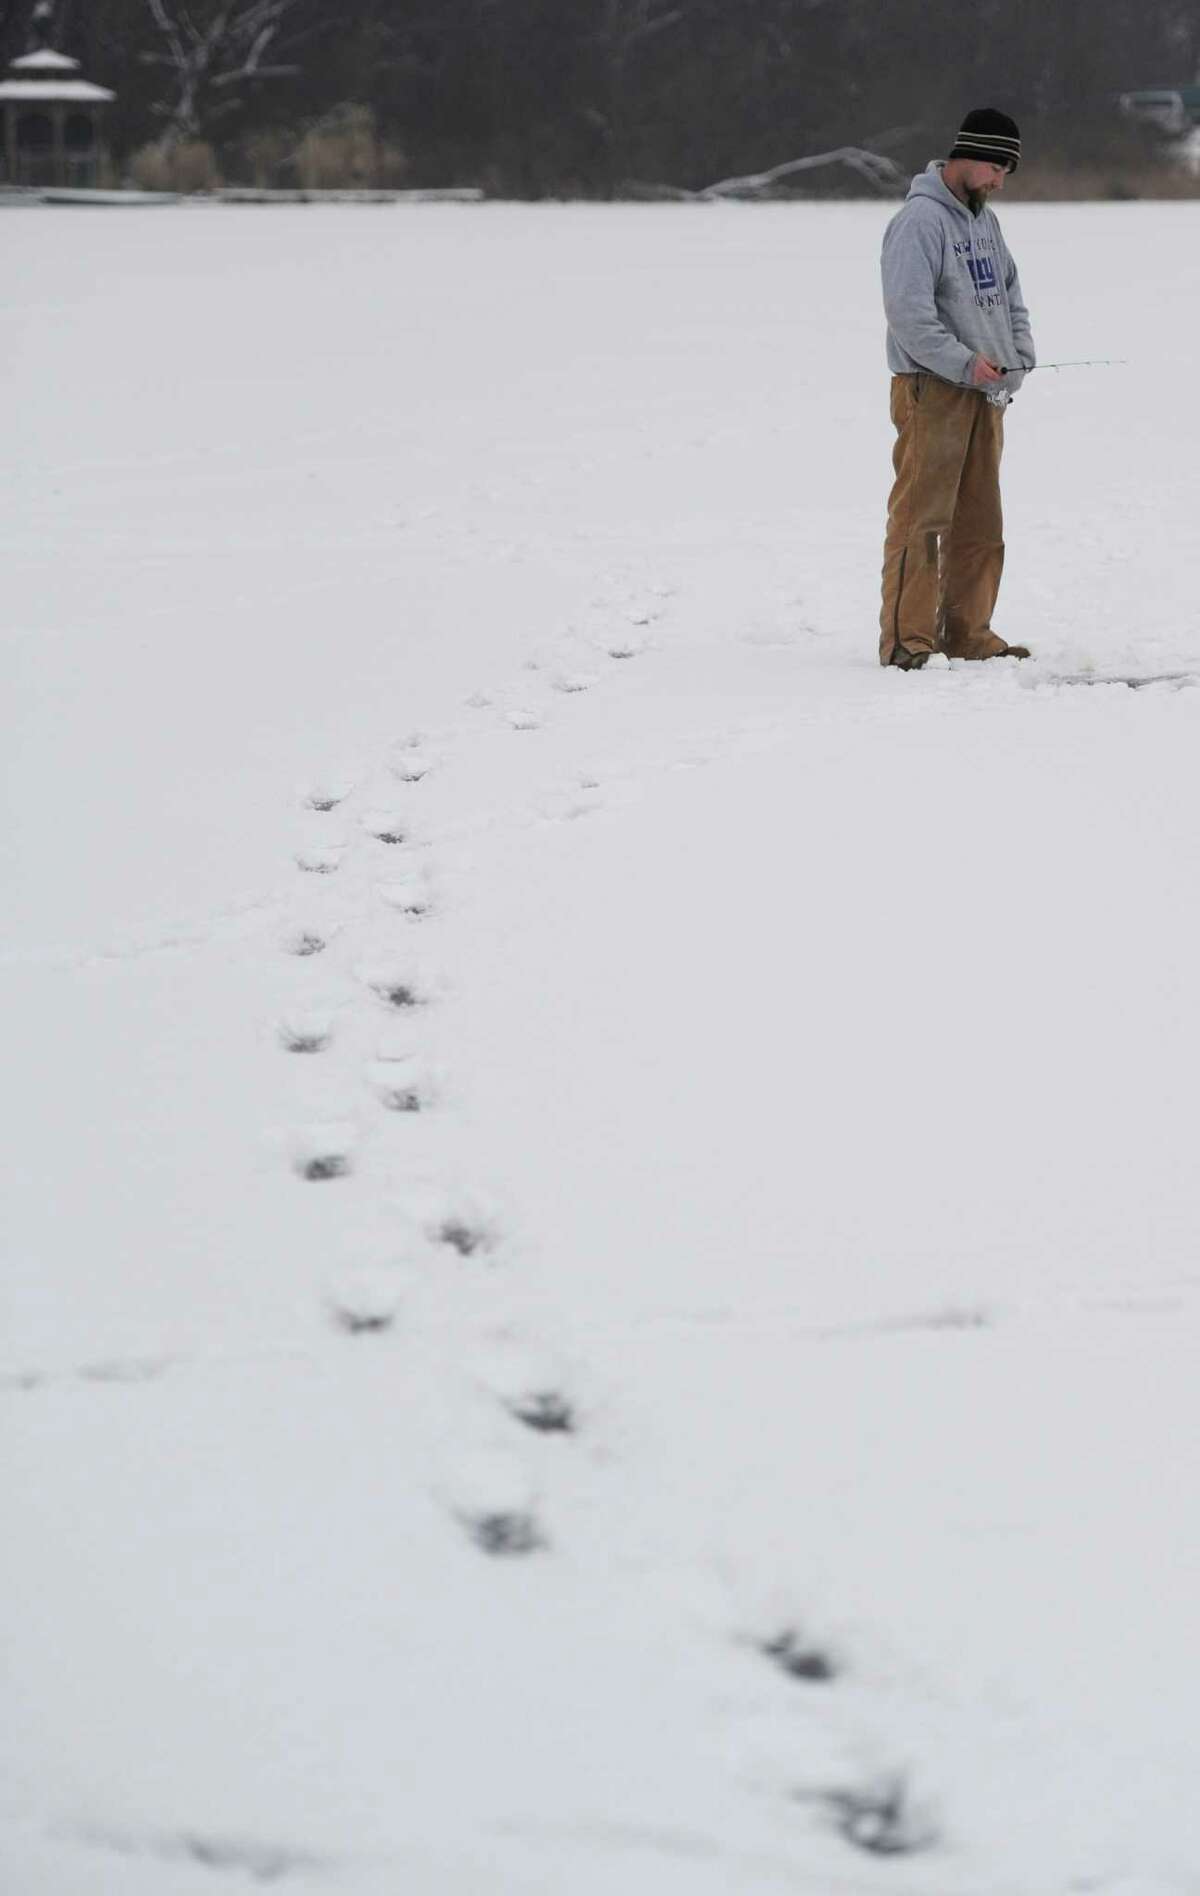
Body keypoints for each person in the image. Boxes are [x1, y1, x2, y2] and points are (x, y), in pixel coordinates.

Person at [879, 108, 1036, 669]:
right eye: (998, 168)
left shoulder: (985, 222)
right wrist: (966, 364)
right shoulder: (919, 222)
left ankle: (969, 634)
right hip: (933, 389)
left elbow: (1011, 297)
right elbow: (909, 317)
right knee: (923, 520)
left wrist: (1018, 355)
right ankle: (908, 641)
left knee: (981, 523)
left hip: (985, 395)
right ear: (969, 156)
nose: (1000, 182)